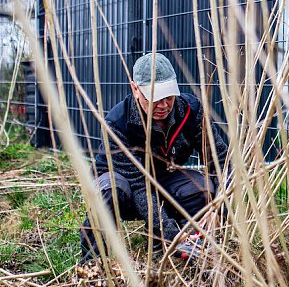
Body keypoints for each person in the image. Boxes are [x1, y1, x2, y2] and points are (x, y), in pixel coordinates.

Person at [81, 52, 229, 262]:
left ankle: (190, 250)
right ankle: (93, 264)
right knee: (111, 191)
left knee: (202, 189)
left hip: (163, 179)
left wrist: (219, 207)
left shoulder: (191, 110)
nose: (163, 105)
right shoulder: (117, 124)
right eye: (154, 98)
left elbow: (219, 158)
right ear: (135, 89)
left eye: (168, 96)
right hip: (125, 185)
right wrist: (170, 235)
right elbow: (140, 188)